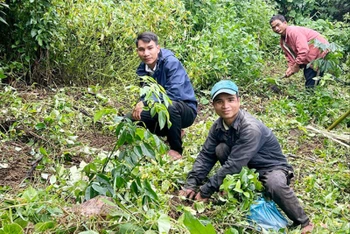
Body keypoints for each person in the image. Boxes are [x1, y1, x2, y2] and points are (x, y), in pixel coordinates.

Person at [179, 80, 314, 233]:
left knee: (274, 183)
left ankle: (304, 222)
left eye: (230, 100)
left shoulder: (250, 128)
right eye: (219, 102)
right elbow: (206, 156)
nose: (225, 106)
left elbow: (234, 164)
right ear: (213, 105)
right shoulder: (218, 126)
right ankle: (238, 187)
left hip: (270, 167)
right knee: (220, 149)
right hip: (246, 168)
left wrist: (205, 190)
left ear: (238, 101)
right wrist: (191, 183)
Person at [131, 32, 197, 160]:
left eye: (150, 48)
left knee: (170, 107)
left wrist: (144, 103)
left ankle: (176, 149)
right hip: (160, 107)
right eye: (141, 49)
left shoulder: (171, 63)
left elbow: (174, 93)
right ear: (137, 51)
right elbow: (145, 93)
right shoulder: (142, 69)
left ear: (158, 48)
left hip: (184, 109)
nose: (146, 53)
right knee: (132, 118)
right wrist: (140, 103)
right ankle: (173, 132)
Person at [270, 14, 329, 88]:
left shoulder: (294, 31)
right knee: (308, 74)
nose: (276, 28)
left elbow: (303, 50)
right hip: (309, 58)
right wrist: (291, 68)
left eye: (278, 25)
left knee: (311, 80)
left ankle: (312, 96)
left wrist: (296, 65)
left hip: (319, 54)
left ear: (285, 23)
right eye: (273, 27)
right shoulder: (283, 42)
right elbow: (289, 56)